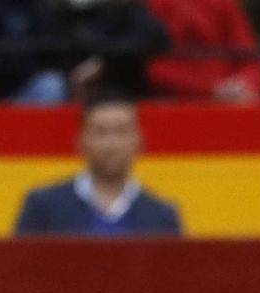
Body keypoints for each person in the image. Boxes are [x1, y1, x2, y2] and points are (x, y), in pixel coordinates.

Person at [14, 90, 182, 235]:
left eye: (122, 132)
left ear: (139, 141)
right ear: (80, 140)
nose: (111, 144)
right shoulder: (43, 206)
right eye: (100, 132)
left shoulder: (161, 215)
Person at [142, 0, 260, 101]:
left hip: (229, 104)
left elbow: (250, 59)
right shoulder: (153, 6)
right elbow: (151, 67)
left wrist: (245, 84)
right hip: (172, 106)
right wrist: (212, 88)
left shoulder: (224, 4)